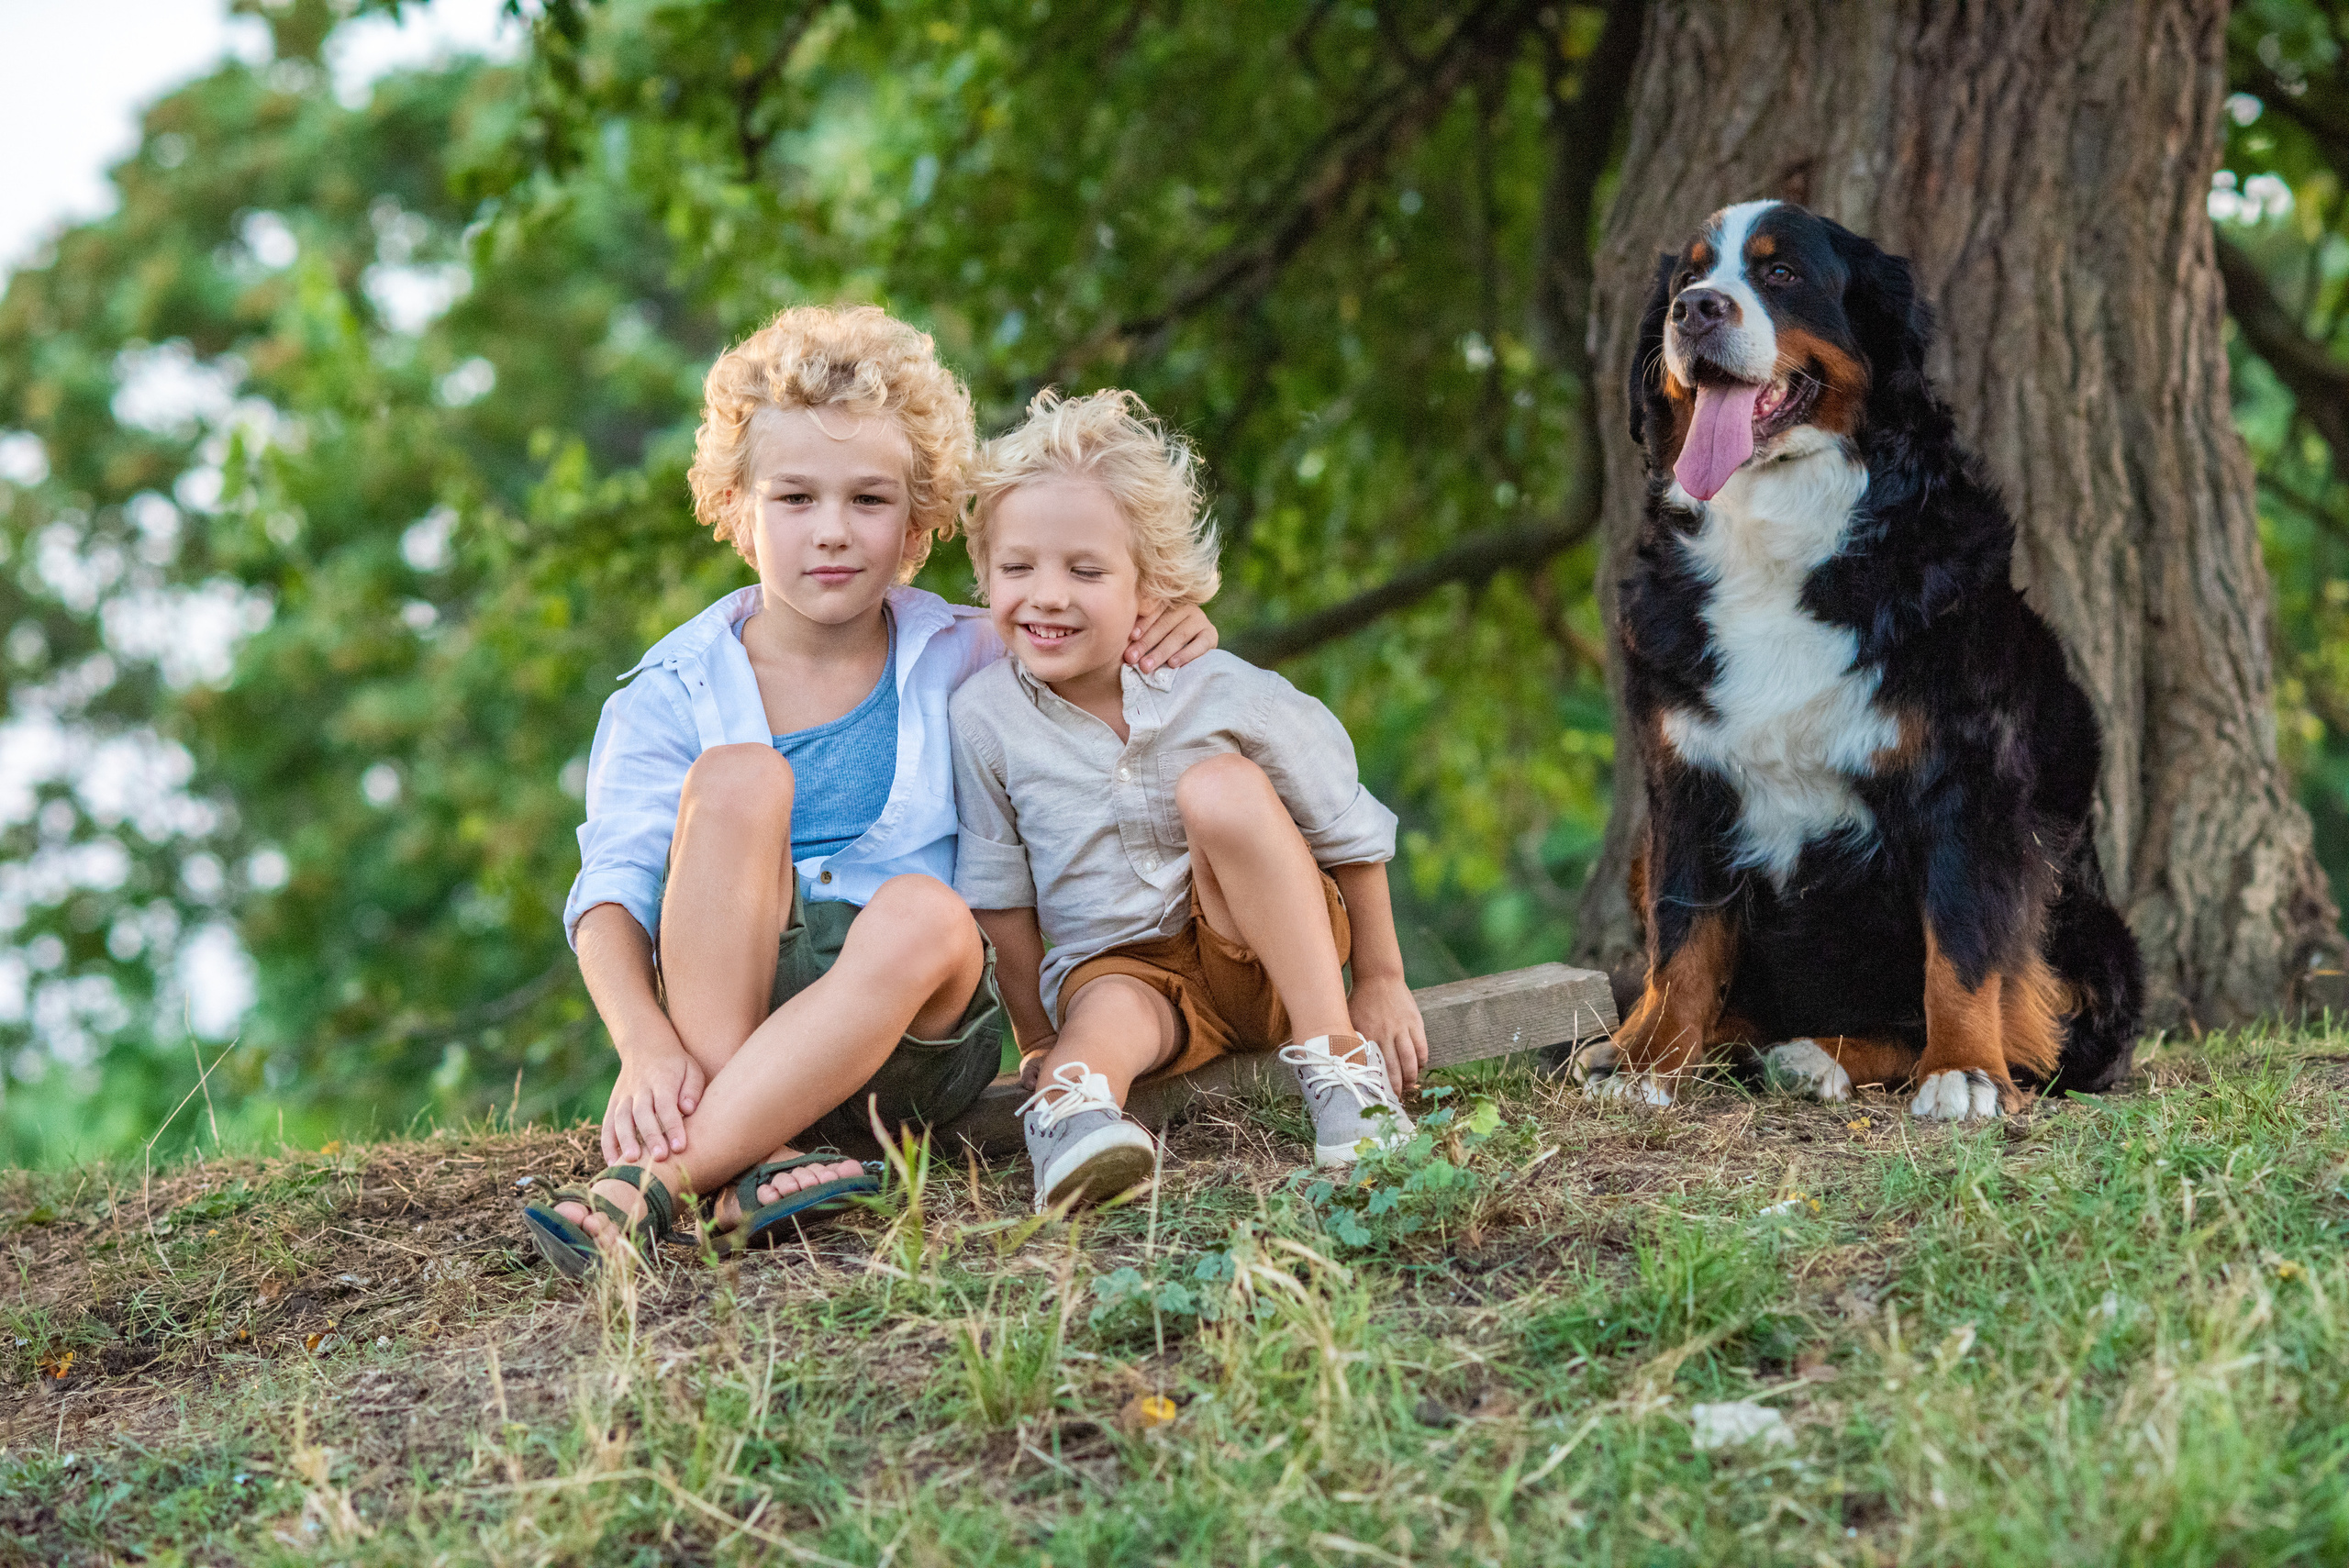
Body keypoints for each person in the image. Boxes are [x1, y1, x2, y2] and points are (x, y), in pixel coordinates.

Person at [520, 309, 1219, 1274]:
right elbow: (612, 888)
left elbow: (1105, 663)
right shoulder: (672, 685)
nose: (834, 532)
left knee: (929, 911)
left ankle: (655, 1181)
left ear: (920, 514)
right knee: (735, 778)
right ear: (735, 506)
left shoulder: (974, 649)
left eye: (870, 499)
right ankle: (753, 1156)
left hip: (915, 1040)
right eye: (796, 498)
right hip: (730, 1024)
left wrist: (1175, 631)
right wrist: (643, 1043)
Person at [950, 389, 1429, 1214]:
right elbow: (1002, 897)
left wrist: (1380, 974)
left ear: (1153, 584)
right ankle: (1073, 1120)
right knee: (1095, 1023)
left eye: (1087, 570)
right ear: (985, 574)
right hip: (1124, 975)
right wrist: (1035, 1037)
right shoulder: (983, 717)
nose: (1047, 595)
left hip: (1263, 956)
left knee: (1219, 787)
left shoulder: (1218, 687)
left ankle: (1341, 1074)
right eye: (1017, 567)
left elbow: (1345, 822)